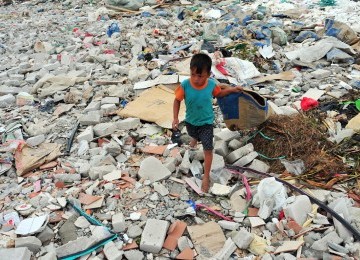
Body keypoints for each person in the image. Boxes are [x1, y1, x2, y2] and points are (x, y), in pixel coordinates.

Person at [172, 53, 243, 193]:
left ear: (208, 74)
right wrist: (175, 118)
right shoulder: (185, 85)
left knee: (208, 149)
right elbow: (177, 101)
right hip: (191, 122)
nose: (196, 79)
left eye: (200, 76)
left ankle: (206, 177)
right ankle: (194, 139)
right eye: (193, 75)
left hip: (206, 123)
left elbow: (219, 94)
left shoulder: (211, 85)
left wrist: (232, 90)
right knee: (193, 134)